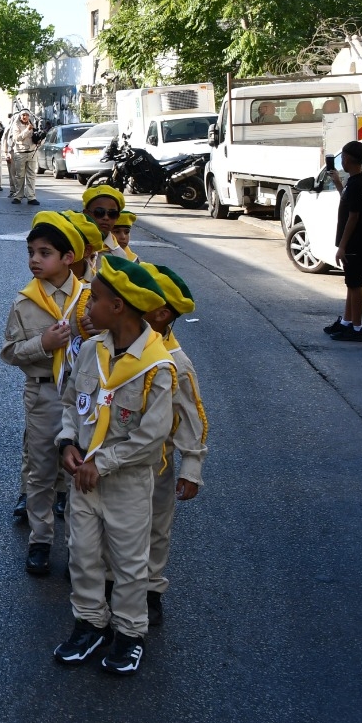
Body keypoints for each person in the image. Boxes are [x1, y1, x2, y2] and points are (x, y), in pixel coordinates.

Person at [53, 256, 176, 676]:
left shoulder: (156, 367)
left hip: (124, 482)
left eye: (97, 299)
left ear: (119, 306)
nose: (88, 306)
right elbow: (72, 403)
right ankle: (89, 622)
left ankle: (129, 632)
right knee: (83, 554)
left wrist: (102, 463)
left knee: (128, 562)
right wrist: (67, 442)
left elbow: (151, 437)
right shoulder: (91, 350)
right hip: (83, 478)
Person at [2, 212, 85, 577]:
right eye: (31, 252)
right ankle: (40, 539)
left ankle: (79, 549)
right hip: (44, 396)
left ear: (68, 259)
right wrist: (43, 343)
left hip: (84, 398)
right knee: (41, 470)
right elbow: (9, 352)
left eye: (45, 253)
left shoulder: (88, 300)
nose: (35, 259)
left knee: (79, 471)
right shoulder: (25, 303)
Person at [139, 263, 207, 628]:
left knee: (155, 525)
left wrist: (191, 468)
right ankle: (105, 582)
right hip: (109, 457)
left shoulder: (175, 362)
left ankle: (150, 589)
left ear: (162, 313)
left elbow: (192, 417)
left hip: (156, 463)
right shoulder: (110, 346)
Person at [324, 140, 362, 343]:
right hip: (356, 241)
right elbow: (347, 199)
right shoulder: (358, 181)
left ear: (346, 159)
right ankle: (347, 321)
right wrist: (337, 183)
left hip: (354, 242)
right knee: (350, 283)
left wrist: (342, 246)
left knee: (354, 285)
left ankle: (357, 326)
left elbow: (353, 216)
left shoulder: (357, 184)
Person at [7, 110, 39, 205]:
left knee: (31, 176)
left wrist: (40, 139)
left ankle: (31, 197)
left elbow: (37, 136)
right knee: (20, 175)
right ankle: (18, 196)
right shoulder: (16, 125)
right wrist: (27, 130)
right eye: (23, 115)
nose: (25, 117)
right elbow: (17, 138)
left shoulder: (33, 124)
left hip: (32, 152)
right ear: (20, 116)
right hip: (20, 152)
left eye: (27, 115)